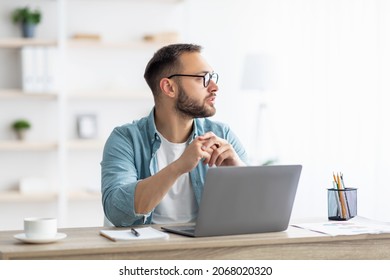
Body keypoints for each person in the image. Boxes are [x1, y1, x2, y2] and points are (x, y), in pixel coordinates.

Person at [101, 43, 248, 226]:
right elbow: (117, 212)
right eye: (202, 78)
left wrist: (239, 169)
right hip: (148, 250)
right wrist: (178, 167)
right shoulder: (125, 139)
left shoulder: (221, 134)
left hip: (206, 249)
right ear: (169, 87)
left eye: (212, 77)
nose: (214, 87)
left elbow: (256, 211)